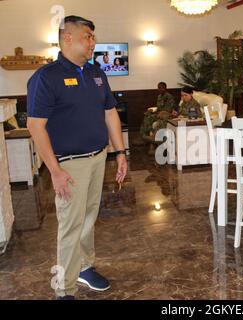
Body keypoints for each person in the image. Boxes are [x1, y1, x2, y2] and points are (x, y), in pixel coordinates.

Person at [26, 15, 128, 300]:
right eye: (88, 36)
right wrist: (55, 171)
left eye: (93, 36)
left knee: (87, 218)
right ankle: (64, 289)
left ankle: (84, 268)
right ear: (68, 38)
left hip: (98, 158)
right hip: (69, 165)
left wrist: (120, 152)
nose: (93, 42)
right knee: (71, 226)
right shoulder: (46, 77)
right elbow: (36, 126)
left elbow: (110, 112)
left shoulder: (97, 73)